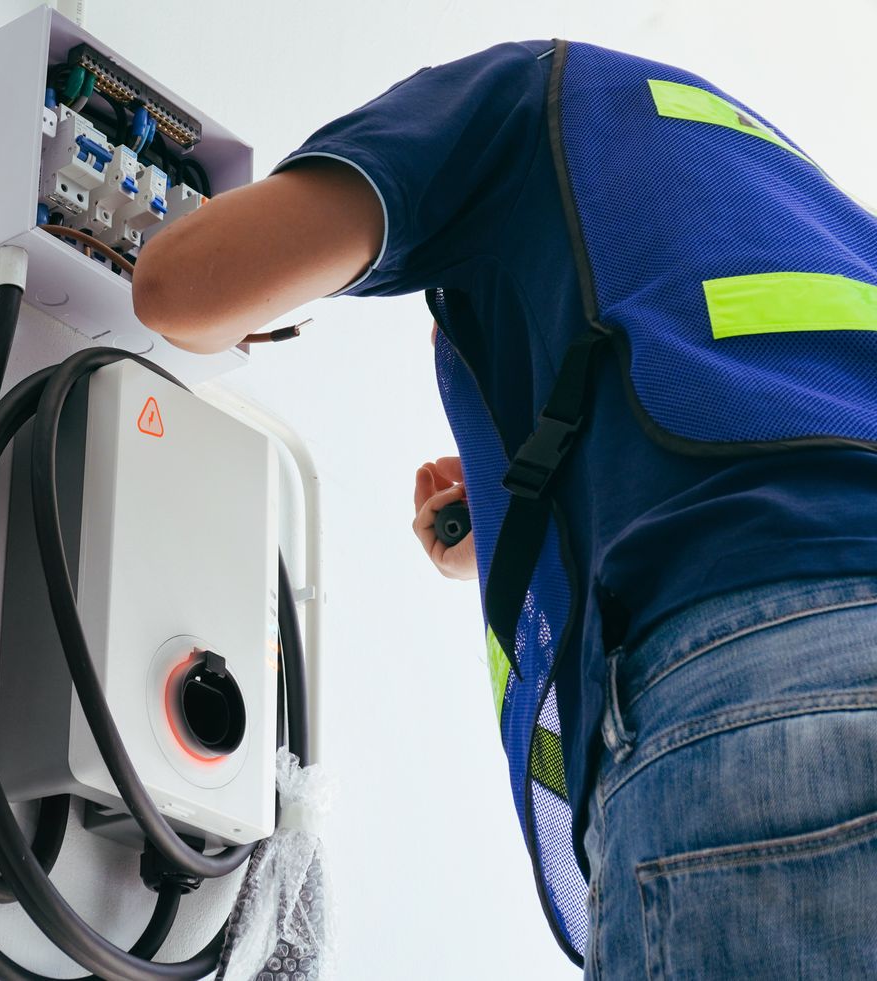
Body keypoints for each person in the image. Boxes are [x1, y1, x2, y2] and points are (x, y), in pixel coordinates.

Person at [133, 39, 877, 979]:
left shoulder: (531, 95)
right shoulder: (820, 213)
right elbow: (755, 426)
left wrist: (237, 296)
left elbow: (177, 286)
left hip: (761, 697)